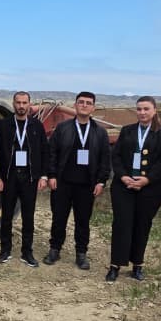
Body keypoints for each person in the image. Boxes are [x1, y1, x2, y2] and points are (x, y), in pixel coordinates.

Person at [107, 96, 161, 282]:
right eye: (139, 109)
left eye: (146, 109)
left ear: (154, 111)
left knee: (142, 225)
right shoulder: (127, 130)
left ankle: (137, 265)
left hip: (150, 188)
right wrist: (123, 176)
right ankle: (115, 265)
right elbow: (116, 156)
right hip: (124, 186)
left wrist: (147, 179)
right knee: (121, 224)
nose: (142, 112)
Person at [43, 91, 110, 270]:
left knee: (83, 221)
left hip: (87, 185)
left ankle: (81, 253)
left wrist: (101, 181)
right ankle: (55, 249)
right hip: (62, 182)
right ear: (75, 105)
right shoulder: (63, 128)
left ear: (93, 108)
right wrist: (51, 175)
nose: (84, 105)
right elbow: (52, 153)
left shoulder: (100, 132)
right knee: (59, 218)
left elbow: (105, 159)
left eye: (88, 103)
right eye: (81, 102)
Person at [0, 91, 51, 267]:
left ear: (29, 104)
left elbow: (44, 151)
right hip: (9, 177)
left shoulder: (36, 125)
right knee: (6, 216)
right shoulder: (4, 125)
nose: (21, 106)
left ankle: (27, 252)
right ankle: (5, 250)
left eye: (24, 103)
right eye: (18, 102)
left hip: (29, 178)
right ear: (13, 104)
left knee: (28, 217)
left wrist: (43, 176)